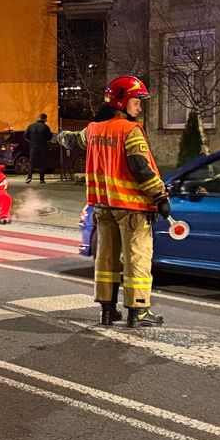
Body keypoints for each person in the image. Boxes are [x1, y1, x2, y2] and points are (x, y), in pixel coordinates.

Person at [83, 76, 172, 328]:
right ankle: (138, 312)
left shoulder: (93, 129)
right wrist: (160, 196)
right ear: (122, 102)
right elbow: (140, 167)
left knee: (106, 257)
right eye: (136, 101)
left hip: (103, 206)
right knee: (137, 258)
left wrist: (56, 137)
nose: (139, 107)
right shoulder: (130, 131)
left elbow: (73, 139)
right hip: (132, 208)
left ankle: (108, 311)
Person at [24, 113, 54, 184]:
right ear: (44, 119)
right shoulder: (45, 127)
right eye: (46, 119)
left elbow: (25, 136)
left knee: (31, 163)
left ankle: (29, 177)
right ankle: (42, 179)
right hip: (42, 147)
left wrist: (31, 141)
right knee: (42, 163)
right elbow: (49, 138)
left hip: (33, 147)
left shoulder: (31, 126)